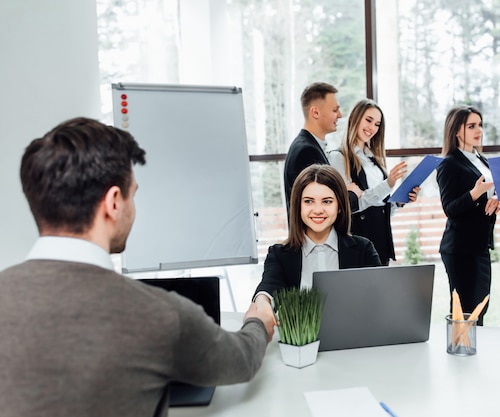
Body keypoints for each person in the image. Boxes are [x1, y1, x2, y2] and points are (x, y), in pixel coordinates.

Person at [0, 117, 275, 417]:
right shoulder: (160, 314)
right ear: (114, 202)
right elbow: (242, 360)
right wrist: (258, 322)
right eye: (133, 194)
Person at [254, 164, 381, 306]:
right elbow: (268, 287)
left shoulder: (364, 250)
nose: (318, 210)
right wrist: (262, 303)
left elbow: (378, 296)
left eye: (327, 201)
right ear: (298, 206)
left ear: (339, 206)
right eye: (309, 201)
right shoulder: (279, 254)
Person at [328, 99, 420, 265]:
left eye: (377, 124)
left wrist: (398, 202)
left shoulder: (374, 160)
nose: (372, 128)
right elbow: (351, 206)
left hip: (381, 237)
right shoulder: (339, 157)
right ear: (355, 119)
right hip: (357, 238)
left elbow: (379, 208)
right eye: (368, 120)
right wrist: (388, 185)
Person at [436, 106, 500, 325]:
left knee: (481, 306)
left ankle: (472, 354)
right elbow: (450, 209)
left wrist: (496, 200)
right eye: (471, 126)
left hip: (480, 245)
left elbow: (489, 195)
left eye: (480, 125)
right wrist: (474, 194)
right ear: (456, 130)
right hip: (460, 249)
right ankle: (459, 353)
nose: (479, 130)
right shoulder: (449, 164)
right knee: (464, 311)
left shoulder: (482, 160)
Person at [283, 82, 342, 213]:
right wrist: (351, 194)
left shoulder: (307, 145)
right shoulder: (307, 152)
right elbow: (319, 205)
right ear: (315, 112)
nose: (340, 114)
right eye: (335, 110)